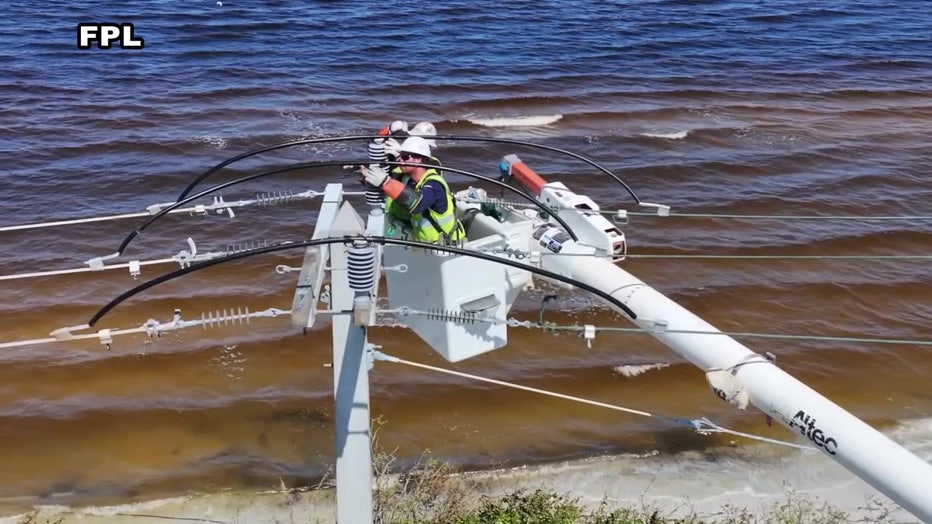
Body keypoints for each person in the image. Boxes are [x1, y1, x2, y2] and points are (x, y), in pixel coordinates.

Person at [362, 136, 465, 245]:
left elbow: (418, 204)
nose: (400, 160)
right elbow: (396, 185)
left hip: (448, 245)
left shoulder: (434, 185)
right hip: (426, 244)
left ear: (418, 159)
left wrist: (385, 182)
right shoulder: (409, 180)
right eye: (400, 156)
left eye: (405, 157)